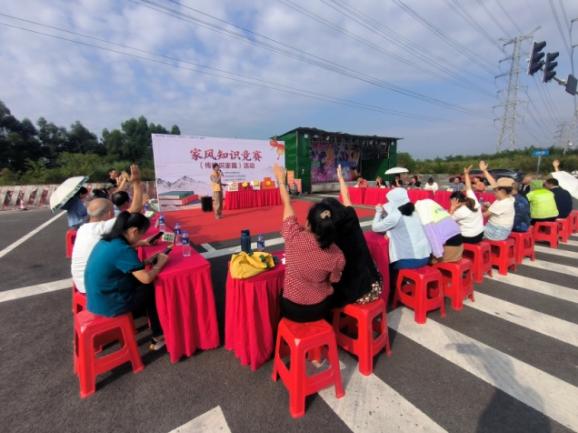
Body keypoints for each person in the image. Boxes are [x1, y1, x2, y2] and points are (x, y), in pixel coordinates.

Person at [85, 212, 169, 350]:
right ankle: (158, 335)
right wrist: (159, 264)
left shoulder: (108, 241)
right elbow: (146, 278)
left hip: (98, 297)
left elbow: (122, 265)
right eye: (142, 234)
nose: (141, 238)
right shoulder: (122, 249)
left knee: (142, 283)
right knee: (151, 287)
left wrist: (146, 262)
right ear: (134, 231)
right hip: (110, 302)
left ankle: (148, 317)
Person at [274, 164, 345, 322]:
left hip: (291, 307)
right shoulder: (337, 254)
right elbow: (334, 280)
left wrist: (281, 181)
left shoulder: (293, 236)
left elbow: (288, 204)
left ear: (308, 223)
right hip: (319, 308)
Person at [71, 169, 145, 293]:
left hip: (82, 282)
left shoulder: (82, 229)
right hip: (96, 289)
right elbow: (135, 209)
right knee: (144, 282)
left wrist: (141, 243)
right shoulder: (102, 228)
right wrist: (137, 183)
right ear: (110, 213)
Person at [322, 165, 382, 306]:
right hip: (376, 285)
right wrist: (341, 178)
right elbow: (347, 197)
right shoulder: (351, 217)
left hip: (359, 294)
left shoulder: (331, 233)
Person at [372, 188, 432, 298]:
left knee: (386, 264)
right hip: (425, 256)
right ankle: (407, 283)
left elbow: (375, 227)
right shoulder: (414, 212)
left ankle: (395, 291)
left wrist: (378, 212)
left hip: (410, 260)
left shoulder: (395, 215)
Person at [479, 161, 515, 240]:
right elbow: (494, 184)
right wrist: (484, 171)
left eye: (495, 190)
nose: (494, 191)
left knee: (470, 231)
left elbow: (483, 215)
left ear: (502, 191)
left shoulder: (501, 203)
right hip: (503, 230)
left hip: (496, 233)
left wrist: (469, 213)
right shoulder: (509, 198)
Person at [449, 166, 484, 244]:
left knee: (448, 234)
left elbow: (448, 222)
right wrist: (466, 174)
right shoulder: (473, 201)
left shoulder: (460, 212)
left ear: (456, 202)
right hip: (480, 234)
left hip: (470, 238)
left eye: (451, 202)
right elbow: (469, 187)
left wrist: (452, 209)